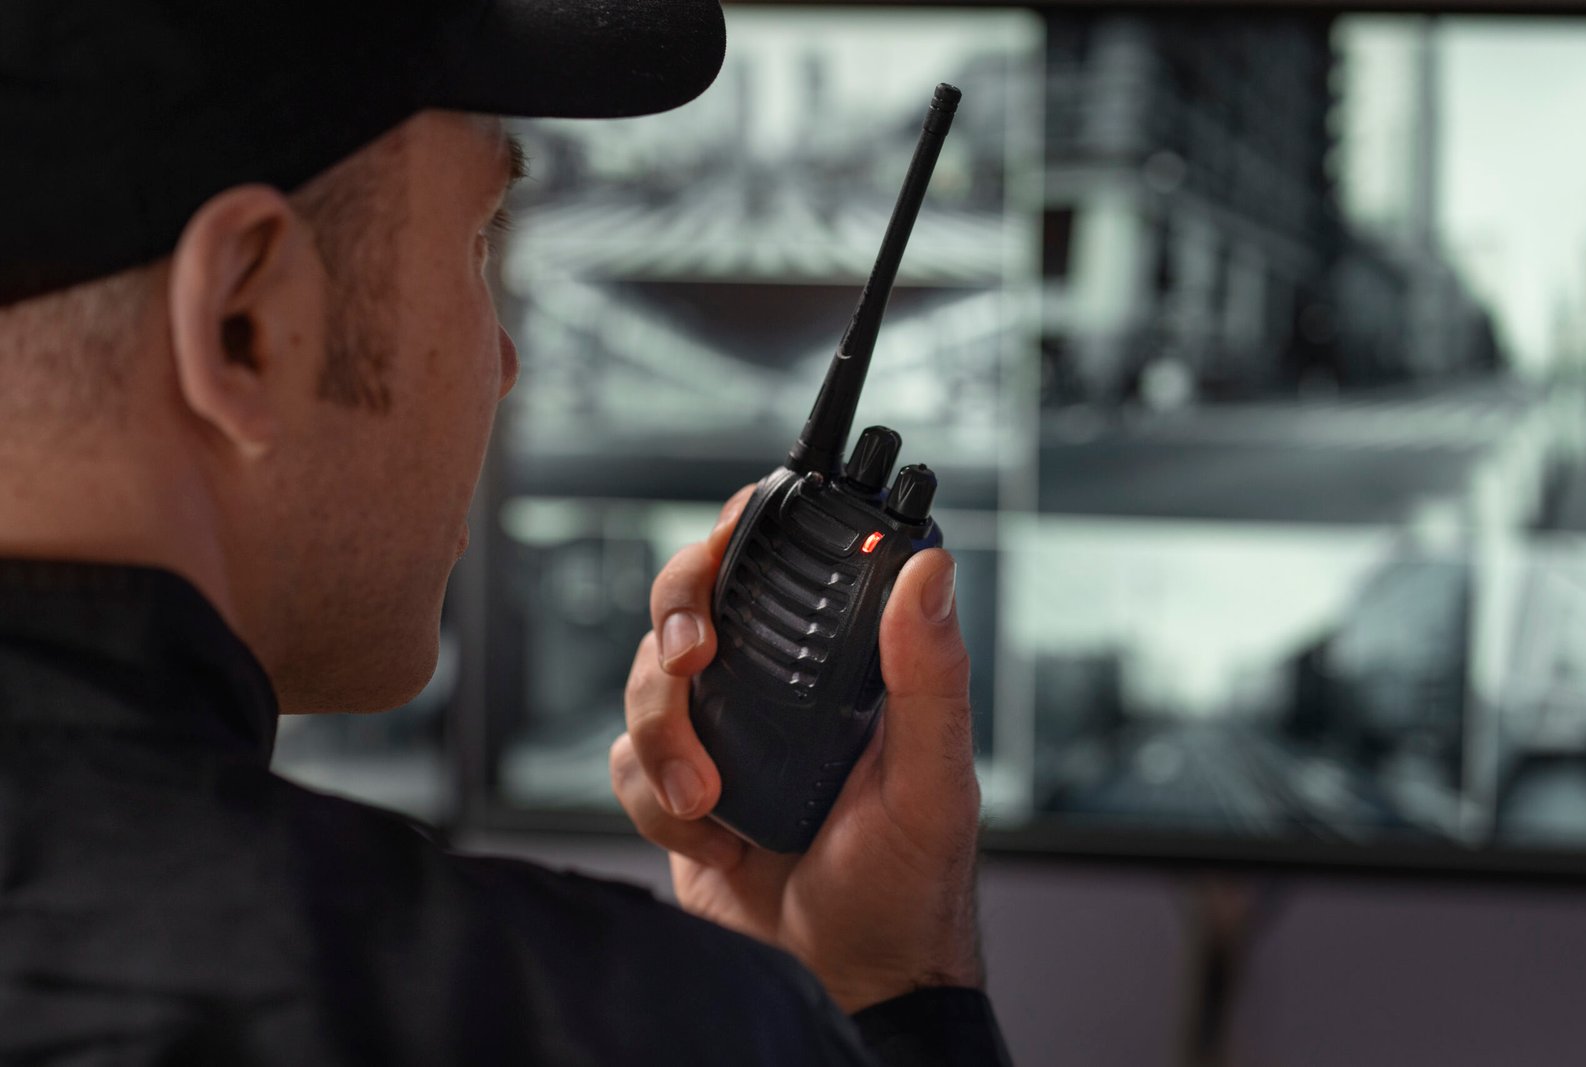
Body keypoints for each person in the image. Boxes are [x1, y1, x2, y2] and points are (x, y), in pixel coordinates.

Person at [0, 1, 1010, 1063]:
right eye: (480, 240)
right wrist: (880, 997)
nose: (509, 364)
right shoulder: (607, 1021)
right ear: (245, 323)